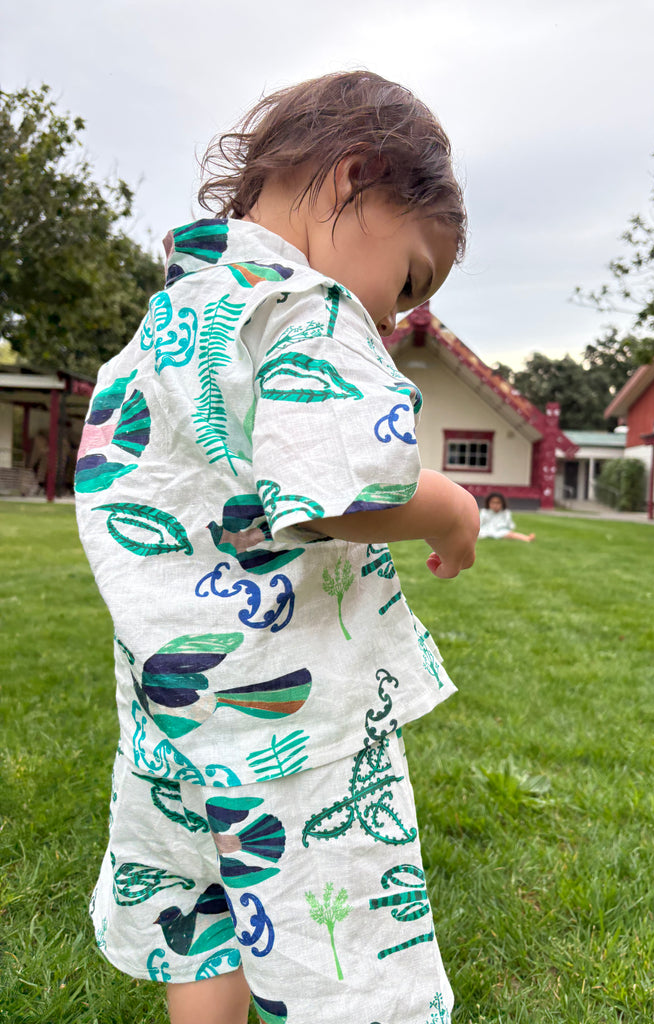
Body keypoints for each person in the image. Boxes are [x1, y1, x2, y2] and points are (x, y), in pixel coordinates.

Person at [75, 70, 479, 1024]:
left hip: (169, 715)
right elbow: (344, 487)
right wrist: (454, 508)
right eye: (411, 280)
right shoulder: (307, 307)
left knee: (199, 914)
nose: (393, 320)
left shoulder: (167, 325)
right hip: (295, 719)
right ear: (357, 179)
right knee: (348, 956)